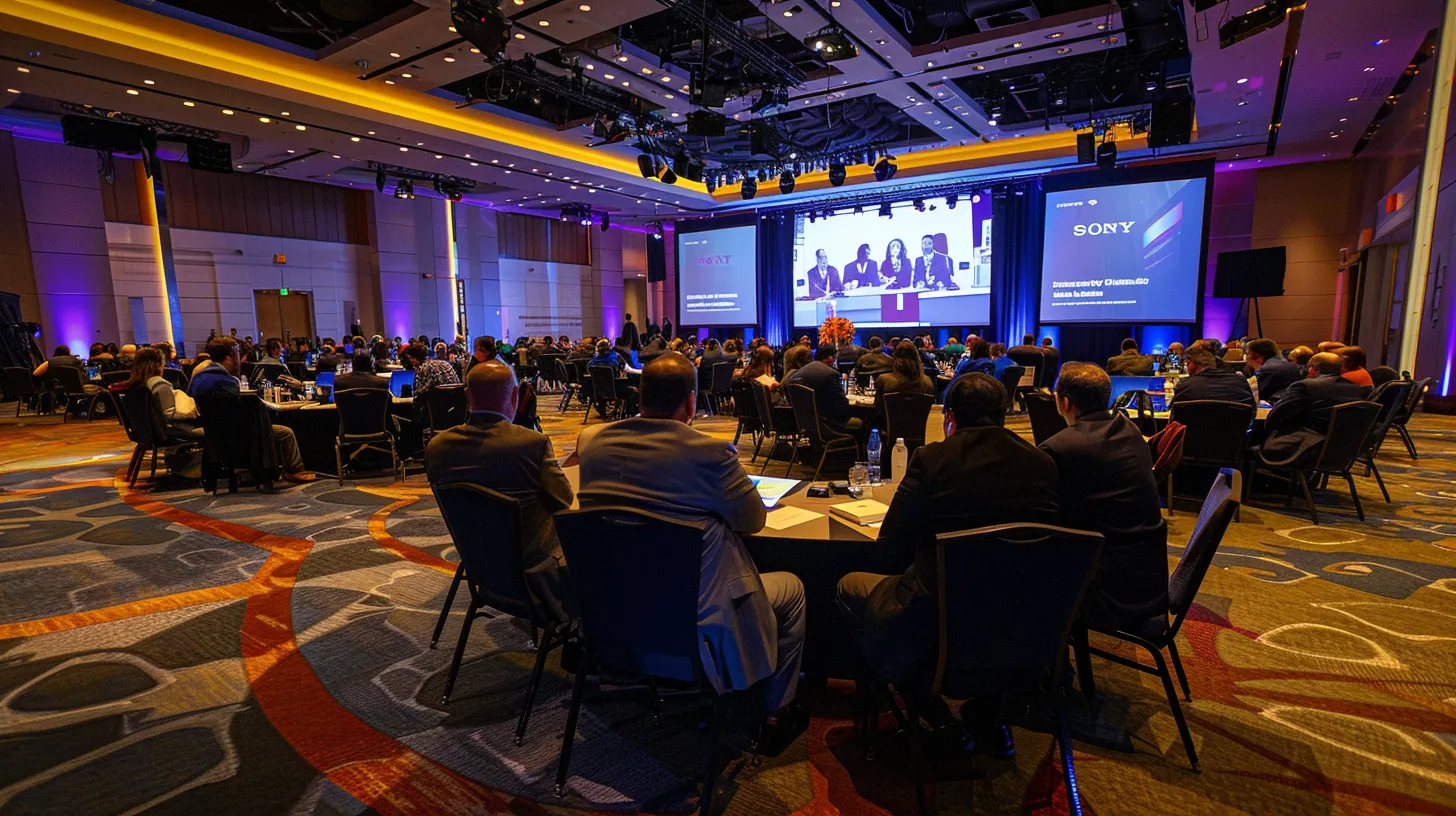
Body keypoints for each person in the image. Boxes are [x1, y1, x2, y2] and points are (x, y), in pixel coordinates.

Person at [575, 353, 807, 748]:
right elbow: (753, 521)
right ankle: (773, 713)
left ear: (639, 394)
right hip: (694, 618)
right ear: (691, 402)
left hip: (613, 611)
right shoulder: (711, 455)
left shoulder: (593, 445)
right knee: (793, 589)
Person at [836, 373, 1060, 755]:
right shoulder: (1044, 464)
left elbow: (888, 550)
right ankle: (989, 715)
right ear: (1005, 414)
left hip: (937, 623)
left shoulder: (933, 460)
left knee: (850, 587)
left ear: (949, 416)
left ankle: (932, 713)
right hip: (1023, 626)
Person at [425, 361, 573, 618]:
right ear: (515, 395)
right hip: (537, 570)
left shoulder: (437, 447)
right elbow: (564, 500)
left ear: (467, 396)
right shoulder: (531, 444)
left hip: (480, 565)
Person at [1039, 364, 1168, 629]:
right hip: (1149, 580)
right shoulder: (1130, 431)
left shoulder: (1060, 448)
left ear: (1063, 401)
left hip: (1104, 592)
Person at [187, 335, 313, 482]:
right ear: (228, 358)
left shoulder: (197, 378)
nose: (240, 361)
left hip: (212, 435)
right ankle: (294, 471)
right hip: (238, 435)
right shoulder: (228, 383)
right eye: (238, 356)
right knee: (286, 432)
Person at [1255, 351, 1372, 466]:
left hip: (1305, 449)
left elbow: (1274, 417)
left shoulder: (1305, 386)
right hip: (1343, 451)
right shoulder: (1358, 389)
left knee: (1250, 443)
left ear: (1313, 368)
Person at [786, 344, 863, 438]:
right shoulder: (830, 374)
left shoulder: (801, 372)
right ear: (829, 358)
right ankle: (855, 451)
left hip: (806, 423)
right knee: (861, 422)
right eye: (834, 357)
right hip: (827, 424)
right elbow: (841, 406)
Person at [129, 347, 201, 437]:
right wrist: (191, 415)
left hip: (145, 432)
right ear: (159, 365)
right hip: (170, 432)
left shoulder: (135, 384)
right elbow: (168, 416)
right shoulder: (159, 384)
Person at [1169, 346, 1255, 406]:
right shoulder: (1241, 382)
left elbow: (1174, 415)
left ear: (1192, 365)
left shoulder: (1184, 385)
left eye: (1187, 363)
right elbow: (1253, 413)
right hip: (1237, 431)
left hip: (1193, 431)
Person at [875, 340, 934, 410]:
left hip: (887, 420)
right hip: (918, 420)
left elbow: (877, 408)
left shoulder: (884, 380)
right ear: (917, 358)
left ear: (895, 357)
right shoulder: (928, 382)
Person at [1245, 338, 1303, 403]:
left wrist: (1255, 367)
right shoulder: (1293, 366)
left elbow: (1260, 398)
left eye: (1248, 354)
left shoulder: (1267, 369)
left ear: (1255, 355)